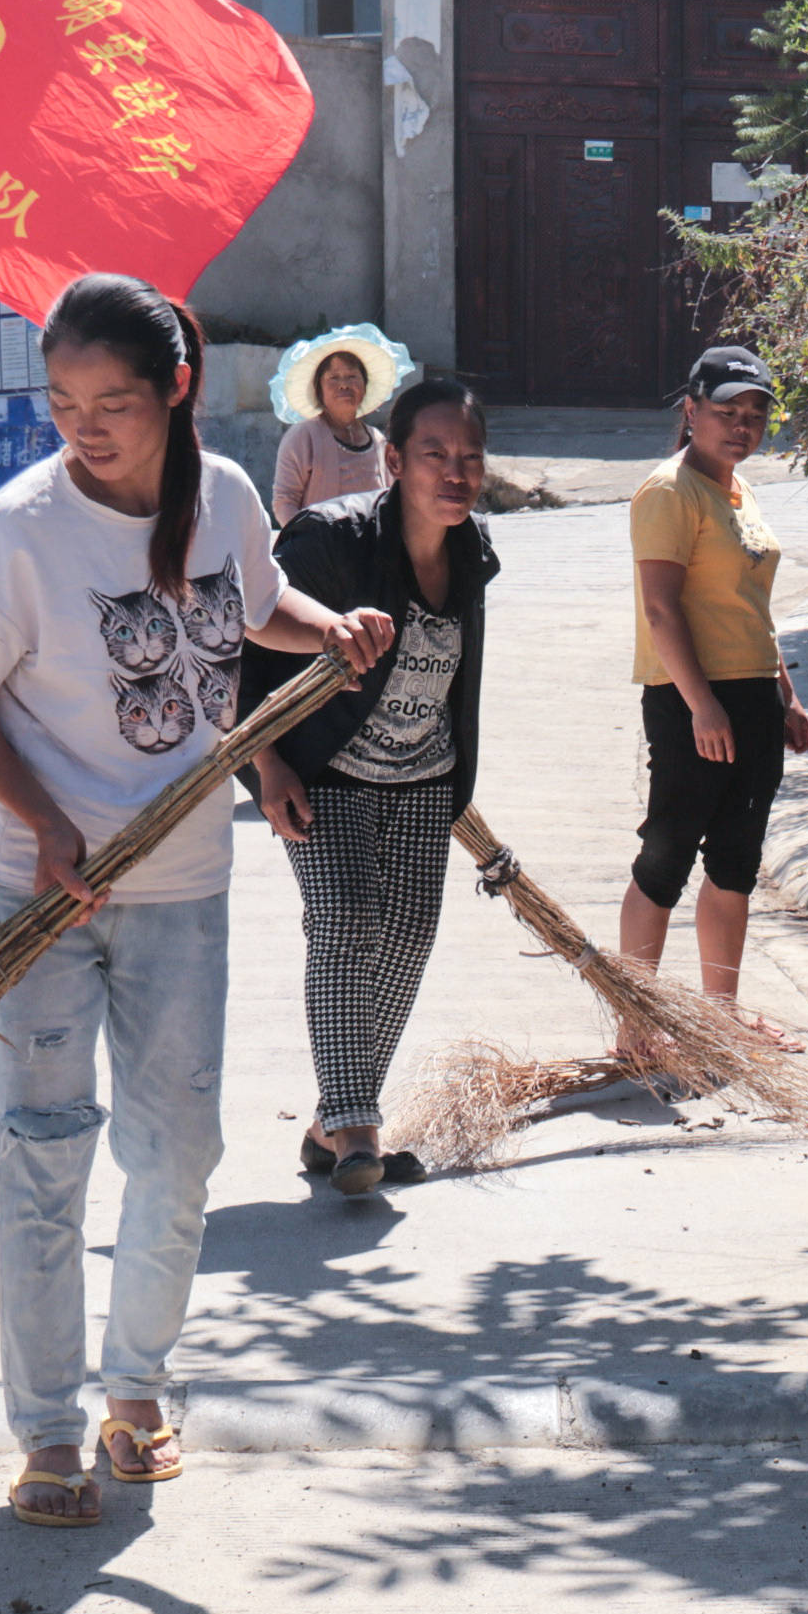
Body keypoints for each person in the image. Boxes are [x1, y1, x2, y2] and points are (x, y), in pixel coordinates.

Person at [0, 273, 390, 1531]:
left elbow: (248, 612)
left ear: (176, 392)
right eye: (65, 401)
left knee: (177, 1152)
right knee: (41, 1157)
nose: (85, 426)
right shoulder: (15, 535)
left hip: (183, 880)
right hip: (40, 894)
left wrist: (327, 624)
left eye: (113, 402)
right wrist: (45, 823)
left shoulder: (227, 497)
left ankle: (138, 1392)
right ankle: (47, 1431)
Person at [243, 377, 498, 1194]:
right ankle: (360, 1127)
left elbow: (462, 679)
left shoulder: (473, 553)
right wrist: (267, 763)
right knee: (346, 919)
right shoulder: (329, 540)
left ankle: (329, 1126)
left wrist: (458, 775)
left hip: (425, 781)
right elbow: (241, 657)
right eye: (434, 455)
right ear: (394, 460)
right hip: (326, 773)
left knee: (406, 942)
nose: (454, 473)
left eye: (469, 457)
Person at [617, 344, 808, 1045]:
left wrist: (784, 693)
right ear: (691, 411)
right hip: (689, 702)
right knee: (665, 859)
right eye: (726, 412)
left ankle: (718, 1023)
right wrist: (702, 704)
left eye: (755, 414)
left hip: (753, 699)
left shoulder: (738, 489)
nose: (741, 425)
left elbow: (752, 607)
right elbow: (662, 610)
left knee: (736, 862)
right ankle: (635, 1029)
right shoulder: (670, 491)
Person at [270, 330, 397, 525]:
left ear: (365, 385)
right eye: (334, 378)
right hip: (320, 550)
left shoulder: (379, 442)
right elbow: (284, 501)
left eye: (352, 376)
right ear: (318, 389)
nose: (344, 385)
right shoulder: (303, 437)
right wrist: (307, 542)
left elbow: (392, 500)